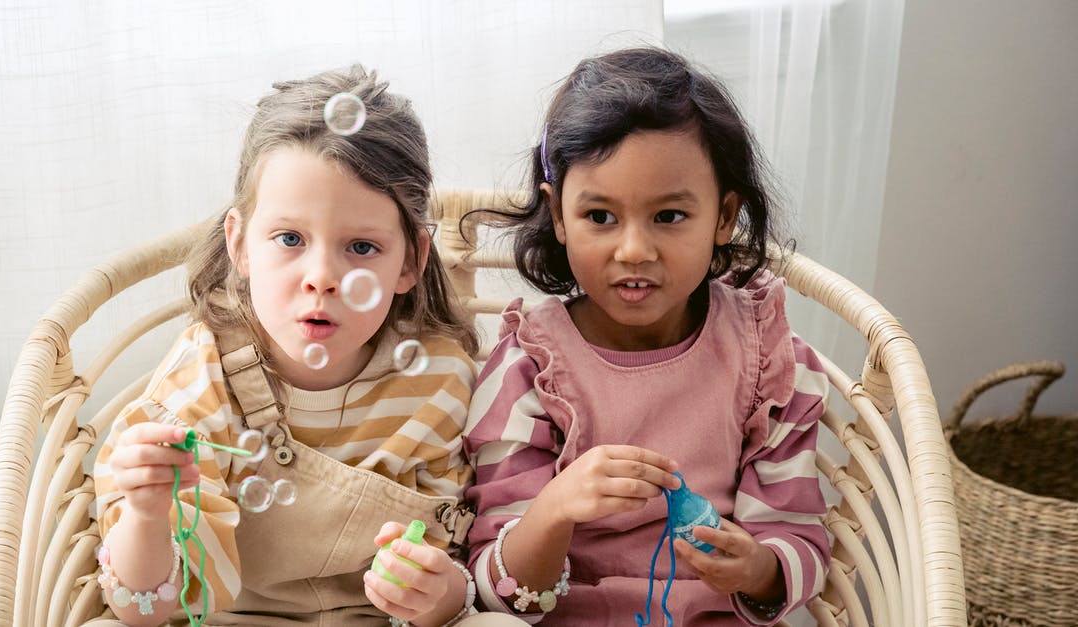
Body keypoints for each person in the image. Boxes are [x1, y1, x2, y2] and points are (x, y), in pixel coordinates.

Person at [91, 65, 520, 627]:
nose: (322, 276)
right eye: (289, 239)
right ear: (240, 245)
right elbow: (142, 612)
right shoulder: (199, 384)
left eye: (362, 246)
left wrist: (441, 596)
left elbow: (460, 562)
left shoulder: (439, 378)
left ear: (410, 262)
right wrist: (147, 516)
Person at [462, 47, 831, 625]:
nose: (634, 250)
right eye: (600, 217)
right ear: (558, 215)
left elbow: (802, 539)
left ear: (725, 216)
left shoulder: (766, 359)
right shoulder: (528, 367)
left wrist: (759, 567)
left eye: (669, 216)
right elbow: (488, 586)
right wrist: (554, 511)